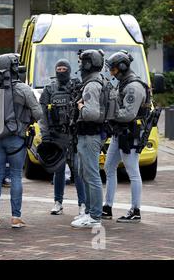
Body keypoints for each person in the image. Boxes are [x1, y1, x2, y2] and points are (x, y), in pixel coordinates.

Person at [0, 53, 42, 229]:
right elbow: (38, 113)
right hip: (16, 138)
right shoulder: (23, 89)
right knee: (16, 175)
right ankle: (16, 217)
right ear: (14, 68)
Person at [103, 50, 149, 223]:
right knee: (109, 167)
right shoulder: (124, 83)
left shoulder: (133, 87)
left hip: (129, 133)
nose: (111, 72)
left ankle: (135, 210)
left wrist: (108, 114)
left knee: (133, 171)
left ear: (122, 67)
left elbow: (128, 114)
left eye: (113, 69)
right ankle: (107, 207)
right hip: (120, 133)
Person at [39, 59, 86, 216]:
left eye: (64, 68)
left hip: (74, 135)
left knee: (78, 170)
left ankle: (83, 204)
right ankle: (58, 202)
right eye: (58, 68)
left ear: (69, 70)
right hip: (56, 136)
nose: (61, 70)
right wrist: (45, 135)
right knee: (58, 170)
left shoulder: (77, 87)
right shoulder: (49, 89)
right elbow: (42, 114)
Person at [70, 49, 106, 228]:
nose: (79, 66)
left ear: (87, 64)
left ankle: (95, 217)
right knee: (85, 173)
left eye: (81, 62)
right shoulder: (97, 81)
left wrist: (80, 106)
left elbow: (92, 113)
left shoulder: (92, 85)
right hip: (87, 134)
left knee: (91, 175)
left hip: (90, 134)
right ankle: (90, 213)